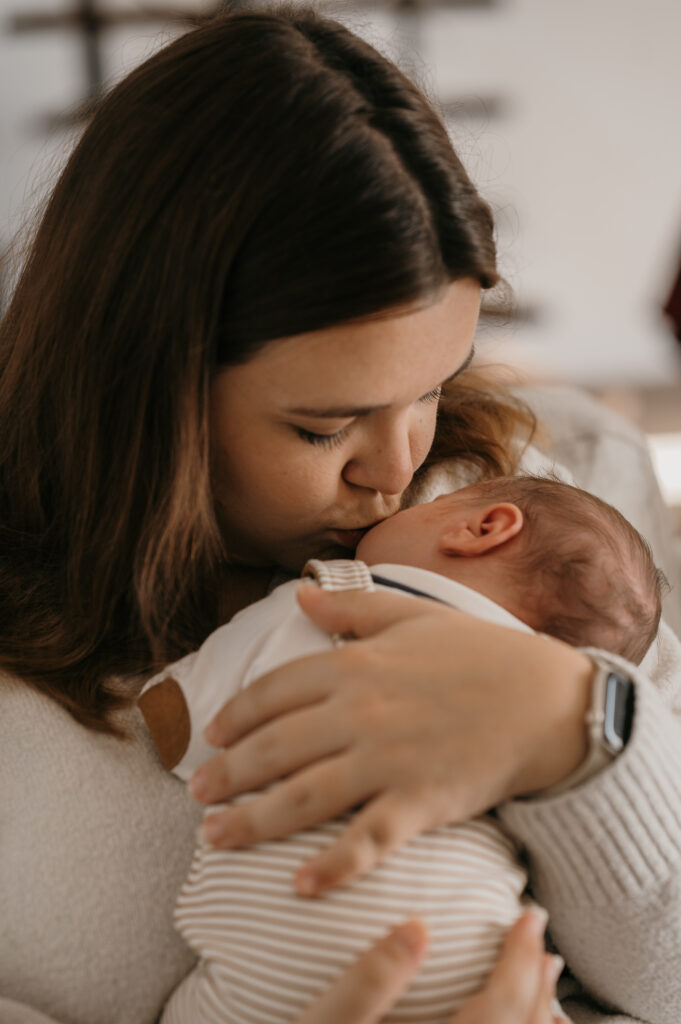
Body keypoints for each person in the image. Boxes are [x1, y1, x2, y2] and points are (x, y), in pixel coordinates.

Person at [0, 5, 680, 1024]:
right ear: (142, 389)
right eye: (326, 427)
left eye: (433, 388)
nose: (399, 473)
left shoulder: (555, 500)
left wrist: (580, 732)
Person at [138, 474, 664, 1024]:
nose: (395, 481)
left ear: (483, 528)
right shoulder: (550, 720)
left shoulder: (334, 598)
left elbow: (174, 723)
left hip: (276, 957)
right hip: (476, 972)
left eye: (433, 501)